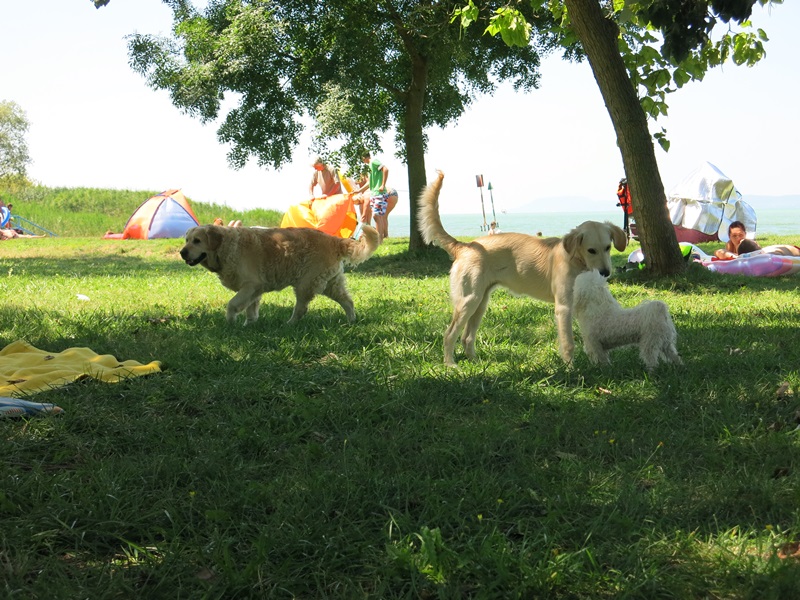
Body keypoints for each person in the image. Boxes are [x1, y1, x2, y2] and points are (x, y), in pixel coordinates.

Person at [356, 151, 398, 239]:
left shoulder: (373, 161)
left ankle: (379, 238)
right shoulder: (369, 167)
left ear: (364, 157)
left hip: (379, 193)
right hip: (374, 193)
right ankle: (381, 238)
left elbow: (385, 169)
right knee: (380, 217)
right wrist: (358, 191)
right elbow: (369, 183)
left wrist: (382, 184)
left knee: (376, 215)